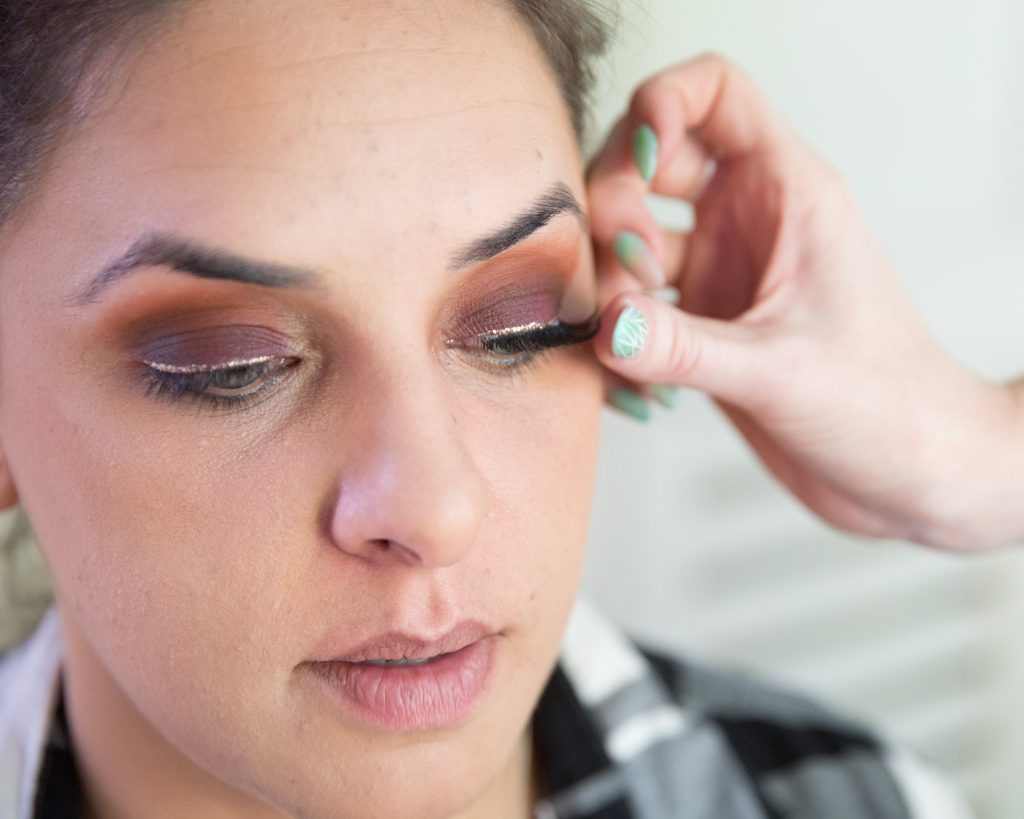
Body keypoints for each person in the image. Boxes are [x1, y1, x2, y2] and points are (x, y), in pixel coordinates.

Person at [0, 1, 977, 817]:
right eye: (233, 364)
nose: (434, 509)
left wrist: (981, 458)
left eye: (518, 329)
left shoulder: (857, 797)